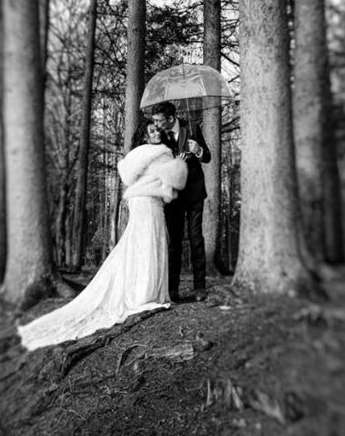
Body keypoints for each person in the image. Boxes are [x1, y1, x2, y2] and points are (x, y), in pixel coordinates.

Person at [18, 121, 187, 350]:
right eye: (151, 131)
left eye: (157, 129)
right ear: (144, 136)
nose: (157, 132)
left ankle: (143, 290)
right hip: (148, 201)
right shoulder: (157, 153)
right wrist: (180, 163)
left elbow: (145, 178)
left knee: (142, 243)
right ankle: (145, 293)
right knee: (148, 244)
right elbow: (175, 180)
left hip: (144, 201)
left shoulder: (137, 156)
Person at [150, 101, 211, 302]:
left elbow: (208, 157)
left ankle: (200, 288)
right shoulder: (158, 136)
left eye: (159, 120)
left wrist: (199, 149)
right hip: (172, 194)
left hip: (194, 192)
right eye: (154, 121)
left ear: (170, 118)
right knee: (174, 242)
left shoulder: (192, 128)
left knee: (196, 238)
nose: (156, 124)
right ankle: (173, 289)